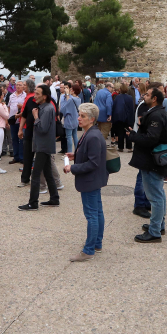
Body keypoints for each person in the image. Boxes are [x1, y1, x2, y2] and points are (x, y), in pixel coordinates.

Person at [63, 102, 108, 261]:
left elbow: (93, 163)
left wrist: (72, 168)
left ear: (92, 119)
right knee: (97, 212)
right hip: (93, 180)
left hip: (90, 180)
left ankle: (89, 250)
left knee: (92, 215)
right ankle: (97, 243)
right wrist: (76, 156)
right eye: (79, 115)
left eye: (82, 116)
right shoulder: (91, 133)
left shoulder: (93, 135)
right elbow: (91, 156)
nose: (79, 118)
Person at [127, 86, 167, 243]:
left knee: (155, 196)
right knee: (158, 193)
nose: (144, 96)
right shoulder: (157, 112)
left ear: (154, 99)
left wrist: (133, 136)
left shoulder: (156, 115)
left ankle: (155, 232)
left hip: (152, 160)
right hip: (154, 160)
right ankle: (159, 225)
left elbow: (151, 139)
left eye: (147, 94)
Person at [19, 85, 60, 210]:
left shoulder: (47, 109)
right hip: (42, 144)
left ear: (44, 96)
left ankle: (33, 203)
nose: (34, 96)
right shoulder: (43, 107)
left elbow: (43, 129)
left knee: (36, 174)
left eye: (37, 94)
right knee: (47, 172)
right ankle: (54, 198)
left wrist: (36, 117)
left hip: (44, 145)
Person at [7, 80, 27, 164]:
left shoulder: (25, 96)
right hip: (13, 121)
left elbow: (27, 107)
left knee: (21, 139)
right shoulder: (11, 96)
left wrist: (22, 106)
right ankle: (16, 156)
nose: (18, 86)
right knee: (14, 139)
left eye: (20, 85)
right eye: (17, 85)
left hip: (21, 121)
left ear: (23, 86)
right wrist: (8, 118)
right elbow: (8, 107)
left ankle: (22, 157)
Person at [111, 83, 135, 152]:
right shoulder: (130, 97)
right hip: (128, 118)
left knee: (120, 132)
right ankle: (129, 147)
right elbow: (131, 108)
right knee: (128, 132)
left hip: (119, 117)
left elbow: (114, 107)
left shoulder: (118, 97)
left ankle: (120, 147)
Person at [59, 83, 81, 153]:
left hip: (69, 119)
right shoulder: (78, 99)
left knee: (69, 137)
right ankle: (77, 150)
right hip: (75, 119)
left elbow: (63, 108)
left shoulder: (71, 99)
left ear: (73, 91)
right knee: (74, 136)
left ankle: (69, 152)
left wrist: (67, 95)